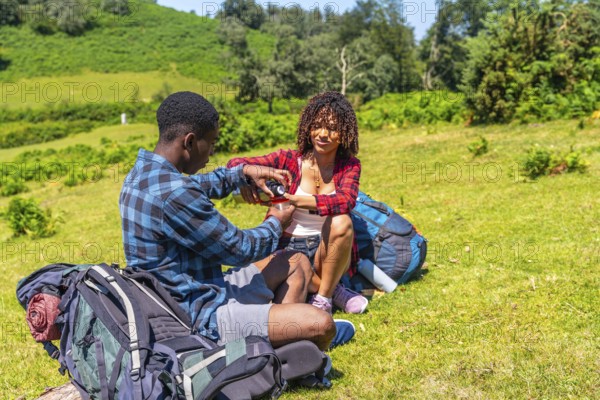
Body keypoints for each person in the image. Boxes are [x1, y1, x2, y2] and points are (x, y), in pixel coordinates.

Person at [119, 91, 354, 351]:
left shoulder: (144, 173)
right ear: (189, 142)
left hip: (206, 290)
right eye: (212, 143)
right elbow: (240, 250)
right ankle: (288, 345)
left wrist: (242, 173)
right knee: (322, 323)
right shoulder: (176, 195)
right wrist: (277, 221)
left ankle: (283, 338)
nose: (212, 152)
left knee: (295, 261)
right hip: (200, 317)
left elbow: (198, 184)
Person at [227, 91, 368, 315]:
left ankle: (322, 299)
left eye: (332, 128)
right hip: (287, 246)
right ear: (308, 127)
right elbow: (235, 162)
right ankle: (333, 290)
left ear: (344, 133)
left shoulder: (349, 166)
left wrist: (295, 200)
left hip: (326, 249)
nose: (323, 134)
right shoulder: (288, 159)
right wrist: (246, 177)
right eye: (317, 126)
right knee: (286, 269)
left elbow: (346, 200)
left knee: (342, 222)